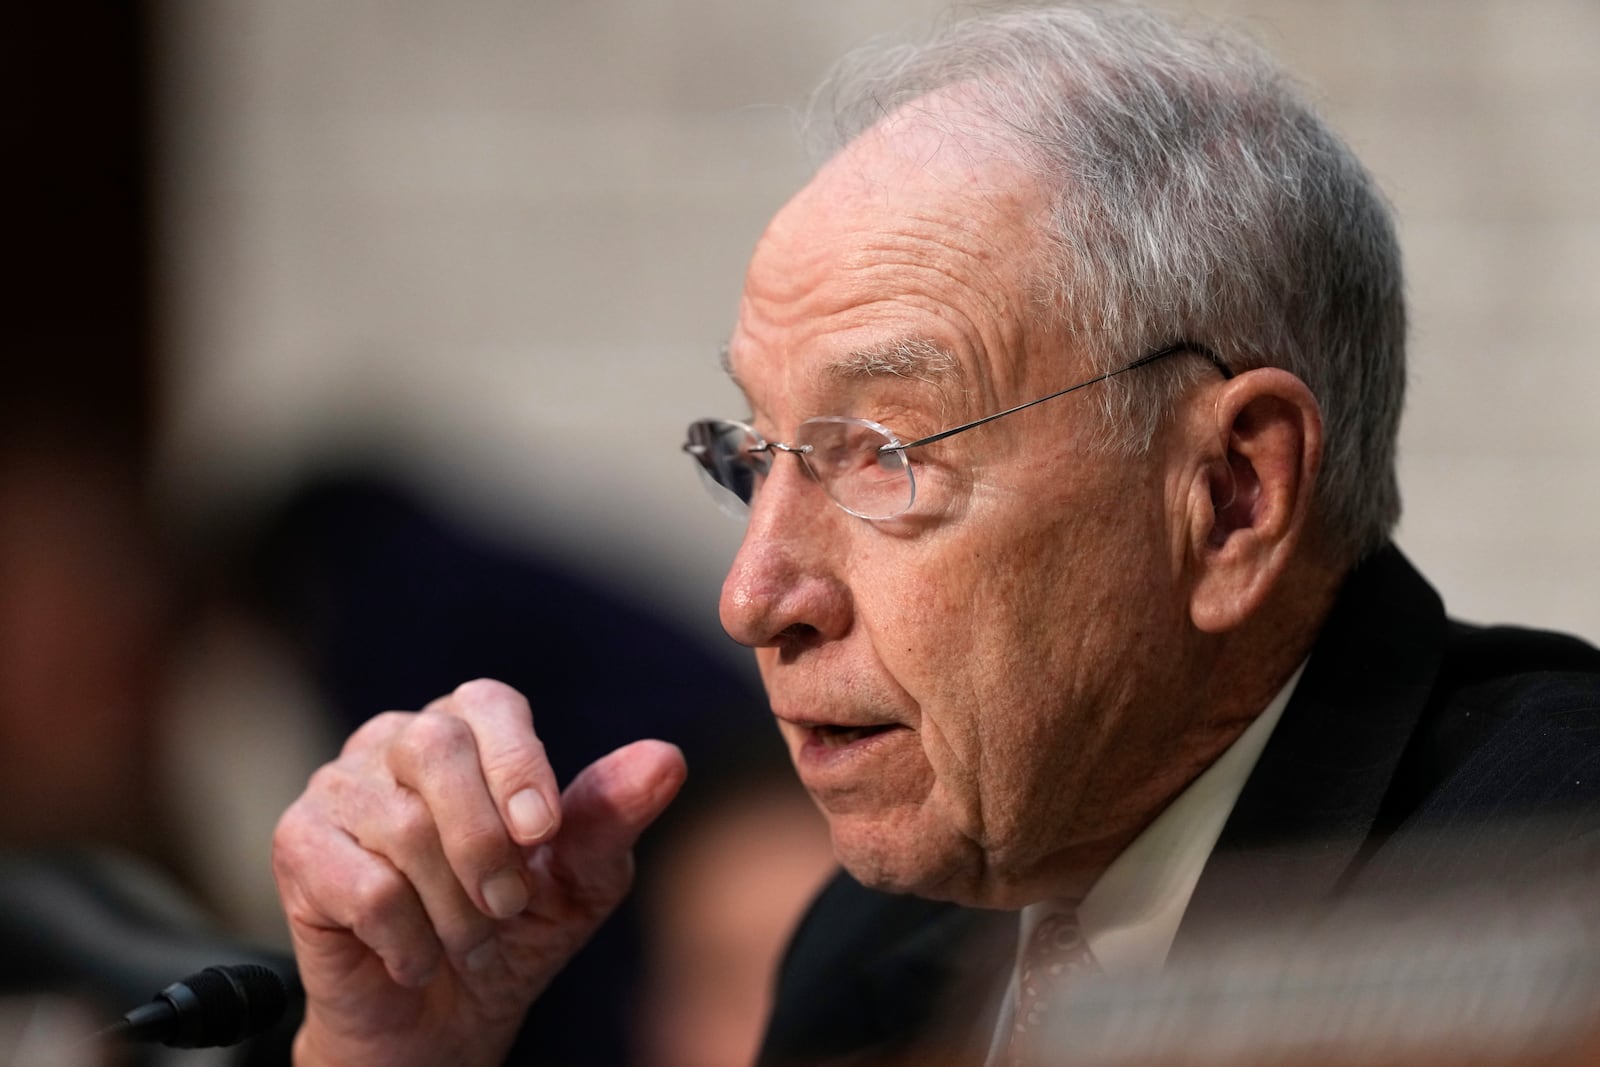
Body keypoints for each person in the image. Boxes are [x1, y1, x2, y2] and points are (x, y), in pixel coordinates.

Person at [269, 3, 1600, 1065]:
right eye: (758, 457)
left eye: (884, 456)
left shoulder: (1552, 885)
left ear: (1232, 498)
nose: (753, 597)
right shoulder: (865, 962)